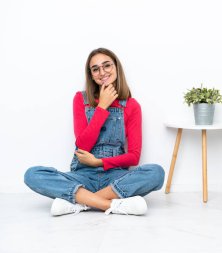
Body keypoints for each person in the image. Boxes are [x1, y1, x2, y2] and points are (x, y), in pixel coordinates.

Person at [24, 48, 165, 216]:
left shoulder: (132, 105)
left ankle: (81, 203)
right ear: (91, 75)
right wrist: (102, 107)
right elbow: (83, 144)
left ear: (116, 68)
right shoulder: (80, 99)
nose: (102, 72)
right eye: (95, 69)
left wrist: (98, 162)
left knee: (156, 172)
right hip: (83, 176)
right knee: (32, 174)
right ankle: (113, 204)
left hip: (115, 178)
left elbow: (134, 156)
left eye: (107, 66)